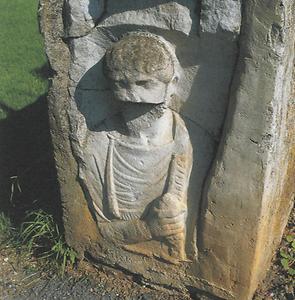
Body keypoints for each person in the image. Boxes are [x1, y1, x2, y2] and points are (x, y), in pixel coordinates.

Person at [78, 32, 192, 262]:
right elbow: (102, 230)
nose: (133, 97)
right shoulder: (98, 146)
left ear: (172, 85)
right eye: (121, 84)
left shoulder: (183, 141)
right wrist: (148, 229)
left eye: (144, 84)